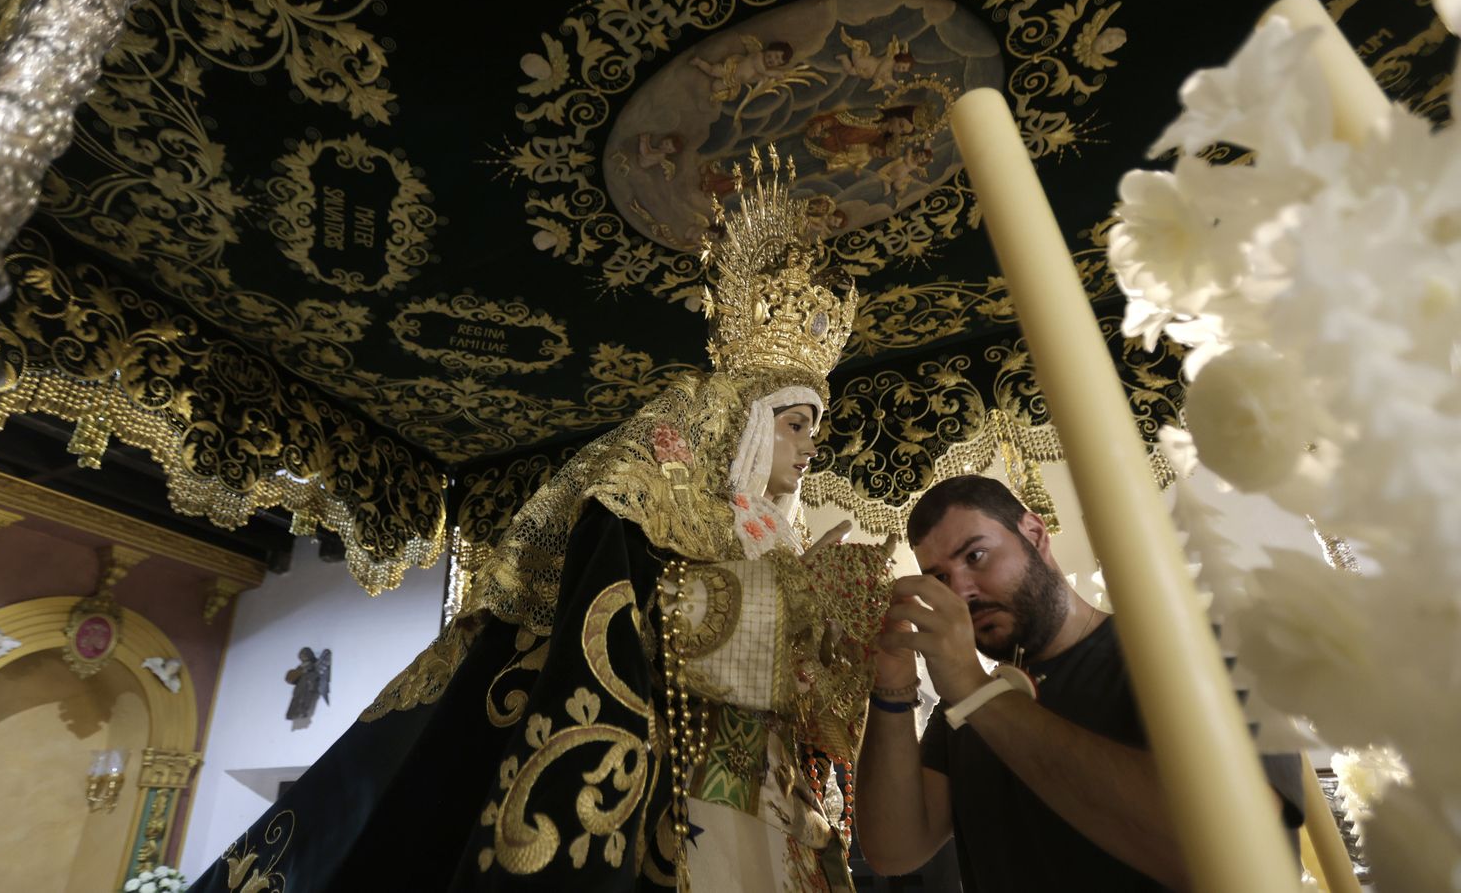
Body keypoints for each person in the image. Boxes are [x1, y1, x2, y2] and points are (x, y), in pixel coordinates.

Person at [188, 152, 895, 893]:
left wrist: (815, 611)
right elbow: (639, 628)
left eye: (814, 427)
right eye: (792, 423)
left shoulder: (773, 544)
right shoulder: (650, 492)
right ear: (743, 426)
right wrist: (796, 604)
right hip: (674, 797)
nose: (810, 445)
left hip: (760, 797)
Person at [852, 475, 1303, 891]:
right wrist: (891, 686)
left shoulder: (1197, 649)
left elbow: (1234, 858)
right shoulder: (965, 706)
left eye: (976, 556)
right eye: (940, 579)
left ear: (1035, 533)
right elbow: (894, 850)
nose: (963, 592)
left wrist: (976, 692)